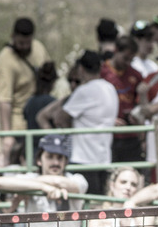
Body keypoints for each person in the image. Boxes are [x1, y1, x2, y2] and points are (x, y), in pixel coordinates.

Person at [38, 50, 117, 195]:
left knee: (84, 205)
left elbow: (59, 118)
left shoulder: (84, 90)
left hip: (83, 159)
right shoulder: (110, 88)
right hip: (104, 158)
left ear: (81, 69)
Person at [0, 17, 51, 165]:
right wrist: (7, 135)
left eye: (27, 43)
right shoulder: (5, 60)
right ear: (13, 37)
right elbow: (4, 101)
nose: (24, 47)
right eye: (20, 43)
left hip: (39, 120)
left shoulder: (38, 48)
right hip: (18, 125)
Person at [101, 36, 144, 164]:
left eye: (131, 60)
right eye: (125, 58)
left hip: (131, 135)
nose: (127, 63)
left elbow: (141, 104)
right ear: (116, 51)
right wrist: (109, 120)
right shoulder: (102, 72)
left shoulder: (136, 75)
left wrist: (137, 117)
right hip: (110, 135)